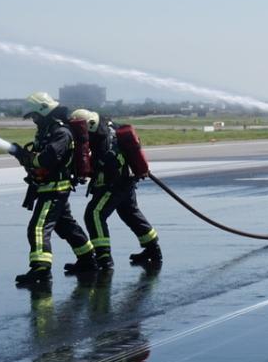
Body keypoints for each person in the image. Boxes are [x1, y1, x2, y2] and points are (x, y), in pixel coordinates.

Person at [9, 92, 96, 285]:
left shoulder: (60, 132)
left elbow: (45, 159)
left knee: (38, 228)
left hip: (54, 189)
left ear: (43, 111)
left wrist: (23, 155)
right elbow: (38, 160)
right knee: (65, 226)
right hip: (49, 187)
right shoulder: (46, 130)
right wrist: (22, 155)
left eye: (34, 116)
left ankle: (41, 269)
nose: (33, 120)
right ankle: (88, 259)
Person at [70, 109, 163, 273]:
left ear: (89, 125)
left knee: (94, 214)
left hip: (114, 184)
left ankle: (104, 258)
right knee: (130, 214)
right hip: (125, 182)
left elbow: (108, 163)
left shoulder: (105, 139)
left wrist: (88, 170)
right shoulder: (105, 129)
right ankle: (153, 250)